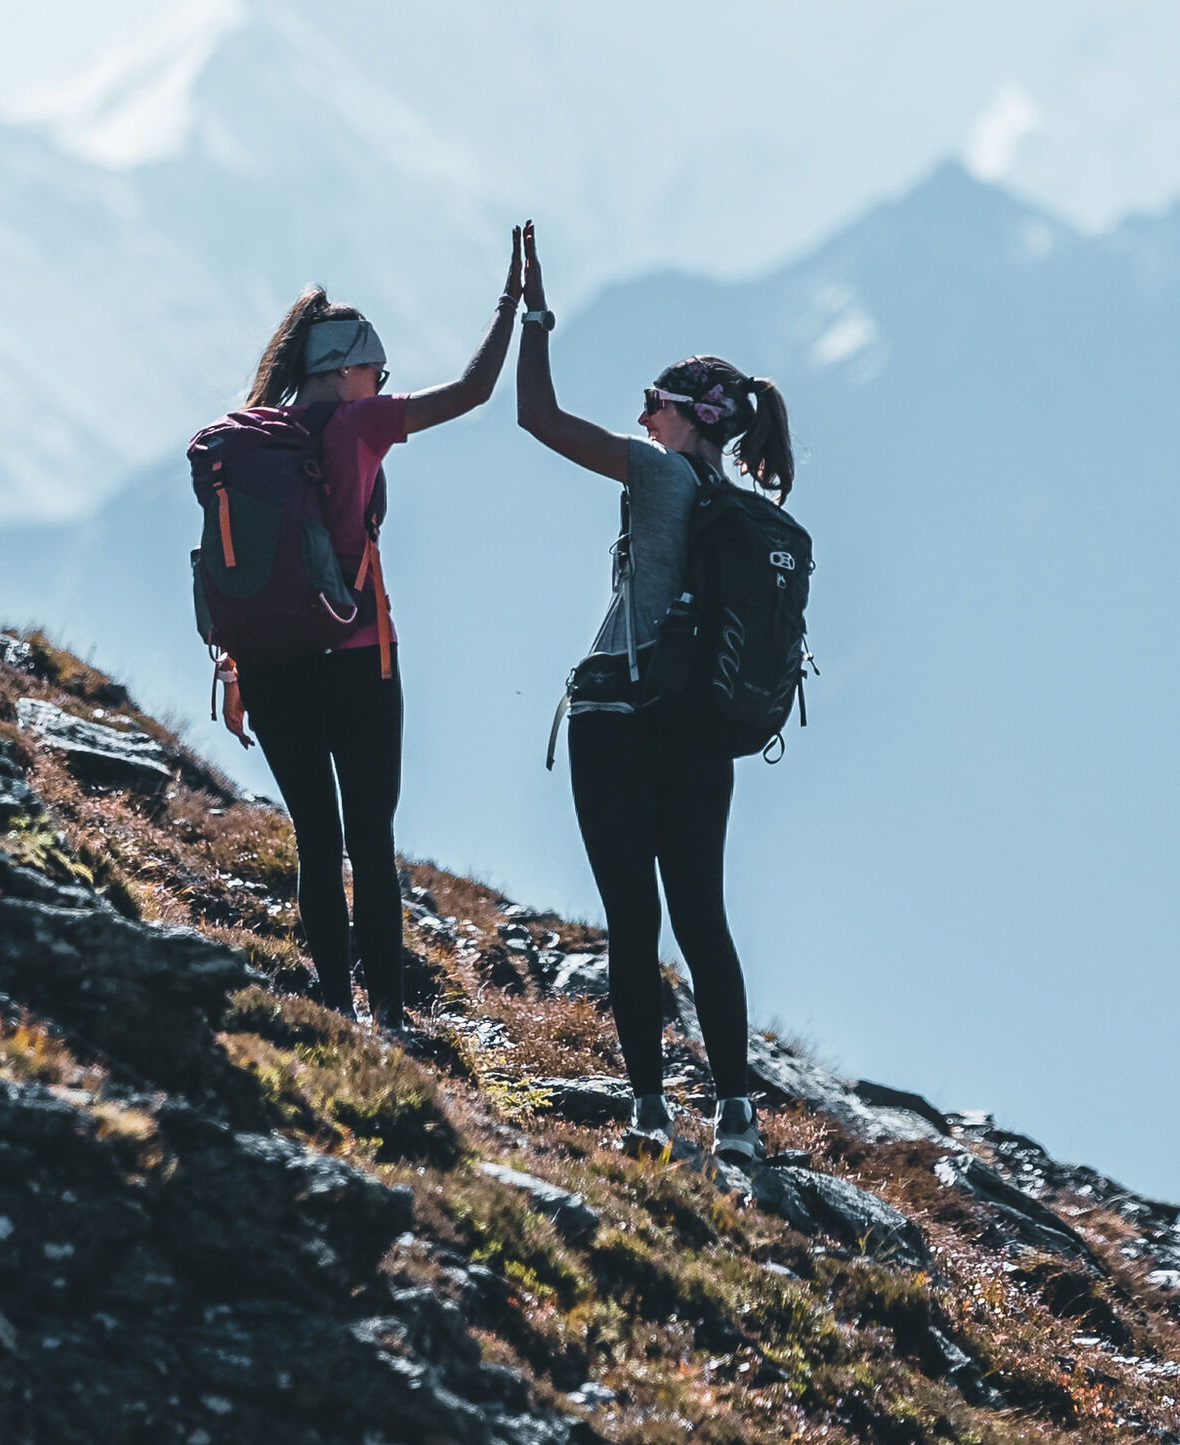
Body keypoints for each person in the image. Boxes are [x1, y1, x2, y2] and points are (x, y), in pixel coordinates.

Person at [510, 220, 793, 1162]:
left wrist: (533, 313)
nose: (640, 418)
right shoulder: (753, 511)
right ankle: (739, 1117)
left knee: (632, 921)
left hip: (618, 718)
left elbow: (537, 418)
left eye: (653, 403)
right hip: (702, 733)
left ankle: (646, 1111)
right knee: (704, 920)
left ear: (687, 417)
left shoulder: (657, 474)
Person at [191, 241, 517, 1035]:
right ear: (348, 369)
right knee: (369, 837)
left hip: (269, 663)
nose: (384, 385)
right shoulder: (356, 423)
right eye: (378, 370)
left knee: (314, 834)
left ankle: (335, 1010)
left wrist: (236, 668)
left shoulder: (254, 438)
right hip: (357, 655)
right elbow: (473, 391)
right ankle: (392, 1019)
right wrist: (514, 304)